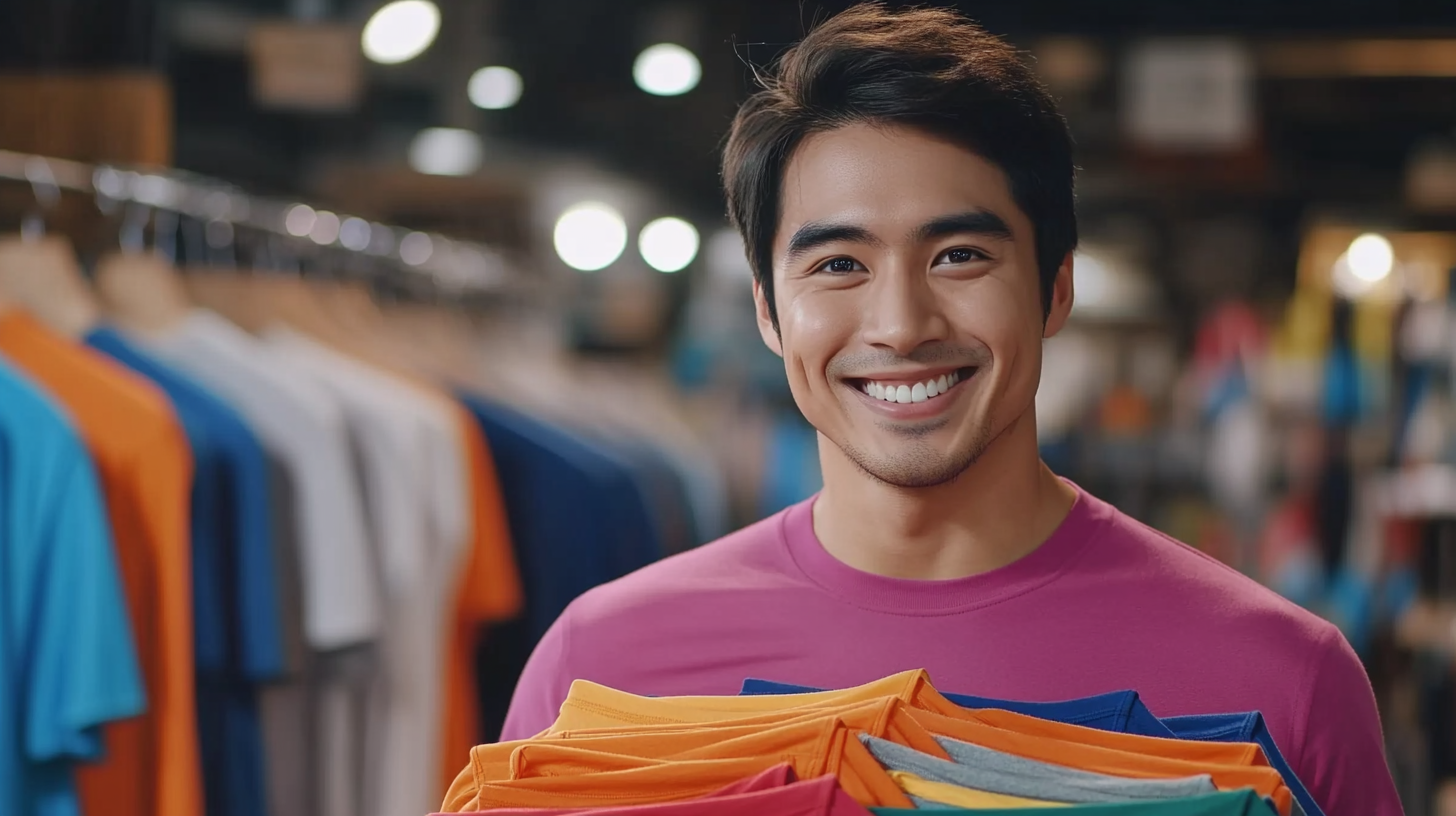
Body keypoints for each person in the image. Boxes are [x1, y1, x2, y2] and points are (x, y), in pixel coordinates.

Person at [489, 4, 1400, 814]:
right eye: (838, 264)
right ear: (769, 311)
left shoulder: (1280, 685)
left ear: (1055, 290)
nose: (901, 325)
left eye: (960, 255)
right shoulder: (598, 673)